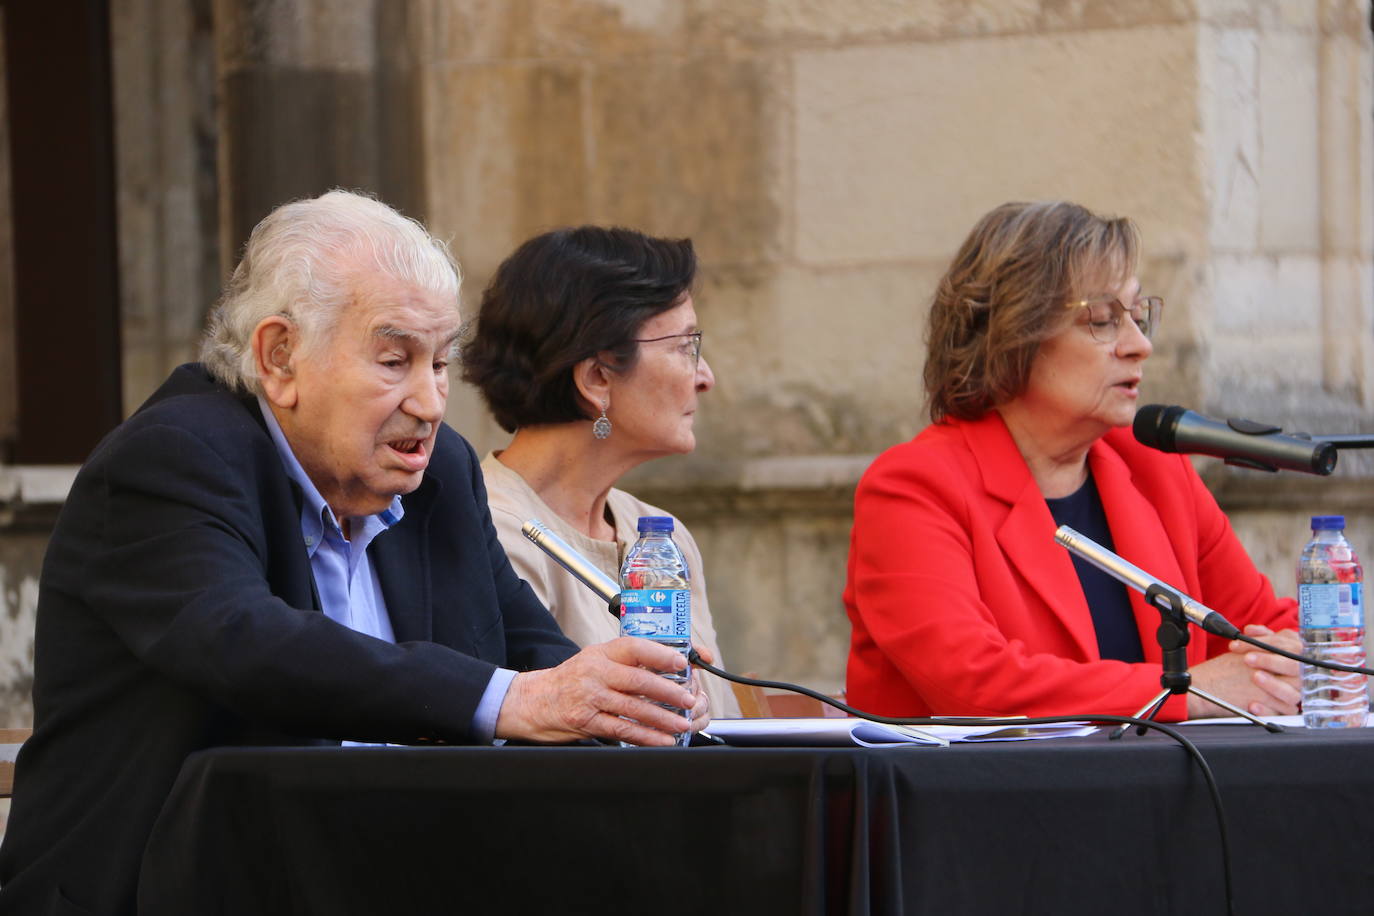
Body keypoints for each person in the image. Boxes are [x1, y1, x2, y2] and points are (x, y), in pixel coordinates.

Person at [0, 191, 706, 916]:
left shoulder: (440, 476)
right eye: (395, 359)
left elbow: (532, 652)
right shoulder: (173, 459)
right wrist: (513, 701)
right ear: (280, 357)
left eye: (441, 363)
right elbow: (247, 643)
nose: (431, 401)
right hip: (159, 889)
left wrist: (628, 698)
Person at [844, 200, 1301, 720]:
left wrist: (1296, 663)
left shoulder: (1152, 468)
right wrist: (1187, 689)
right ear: (1014, 338)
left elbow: (1262, 627)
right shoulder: (913, 488)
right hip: (983, 796)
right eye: (1103, 320)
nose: (1140, 345)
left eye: (1138, 315)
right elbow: (975, 686)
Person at [462, 226, 741, 718]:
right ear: (596, 378)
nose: (706, 377)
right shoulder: (491, 533)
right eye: (686, 347)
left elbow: (723, 727)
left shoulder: (663, 535)